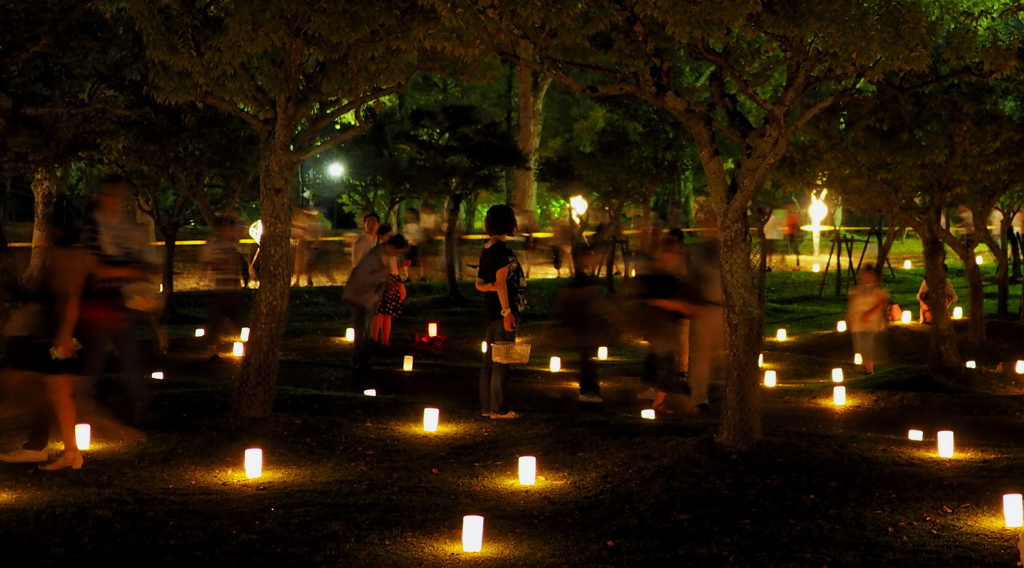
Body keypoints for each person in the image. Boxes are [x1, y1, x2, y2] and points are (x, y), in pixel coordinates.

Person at [0, 199, 89, 469]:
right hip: (54, 331)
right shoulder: (61, 253)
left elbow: (71, 297)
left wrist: (64, 334)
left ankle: (63, 451)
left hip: (58, 334)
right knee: (55, 392)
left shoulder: (68, 255)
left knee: (51, 390)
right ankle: (65, 451)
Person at [78, 176, 157, 424]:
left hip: (122, 302)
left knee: (130, 357)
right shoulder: (92, 229)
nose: (116, 201)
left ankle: (140, 406)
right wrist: (129, 270)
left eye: (119, 196)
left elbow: (143, 262)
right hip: (100, 302)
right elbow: (94, 267)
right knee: (95, 358)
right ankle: (84, 405)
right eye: (111, 195)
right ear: (101, 197)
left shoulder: (125, 229)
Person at [476, 205, 526, 419]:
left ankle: (487, 407)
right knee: (501, 361)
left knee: (489, 362)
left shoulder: (488, 248)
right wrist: (507, 312)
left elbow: (479, 282)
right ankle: (499, 409)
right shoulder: (500, 250)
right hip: (502, 312)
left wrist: (488, 288)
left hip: (492, 311)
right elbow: (502, 282)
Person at [343, 234, 408, 375]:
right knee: (361, 332)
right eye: (396, 251)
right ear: (391, 246)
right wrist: (381, 274)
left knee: (364, 331)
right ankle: (361, 364)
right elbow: (360, 278)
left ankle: (361, 362)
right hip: (358, 298)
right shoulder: (373, 257)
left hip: (367, 299)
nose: (396, 255)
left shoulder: (382, 256)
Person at [554, 244, 606, 402]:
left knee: (587, 357)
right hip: (584, 323)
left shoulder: (581, 279)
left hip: (585, 322)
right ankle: (588, 391)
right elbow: (571, 297)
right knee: (586, 357)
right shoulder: (581, 281)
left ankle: (589, 389)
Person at [200, 216, 246, 359]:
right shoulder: (213, 246)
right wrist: (221, 263)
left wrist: (245, 277)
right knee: (216, 321)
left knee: (238, 320)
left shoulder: (233, 246)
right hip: (220, 289)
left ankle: (244, 348)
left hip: (234, 288)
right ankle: (211, 350)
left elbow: (241, 263)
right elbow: (206, 264)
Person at [847, 267, 889, 374]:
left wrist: (868, 315)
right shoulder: (857, 290)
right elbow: (852, 306)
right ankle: (860, 368)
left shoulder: (877, 291)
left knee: (867, 345)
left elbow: (881, 304)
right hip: (858, 322)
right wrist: (850, 319)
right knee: (859, 345)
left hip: (870, 323)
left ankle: (869, 369)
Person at [371, 225, 407, 346]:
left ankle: (384, 340)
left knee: (386, 315)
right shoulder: (383, 253)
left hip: (390, 284)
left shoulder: (388, 254)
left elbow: (394, 271)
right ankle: (375, 339)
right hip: (386, 285)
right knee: (381, 313)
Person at [402, 208, 426, 282]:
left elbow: (421, 235)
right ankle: (408, 277)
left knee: (421, 260)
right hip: (410, 244)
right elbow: (405, 235)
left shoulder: (419, 225)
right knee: (407, 260)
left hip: (418, 244)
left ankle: (423, 277)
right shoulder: (407, 225)